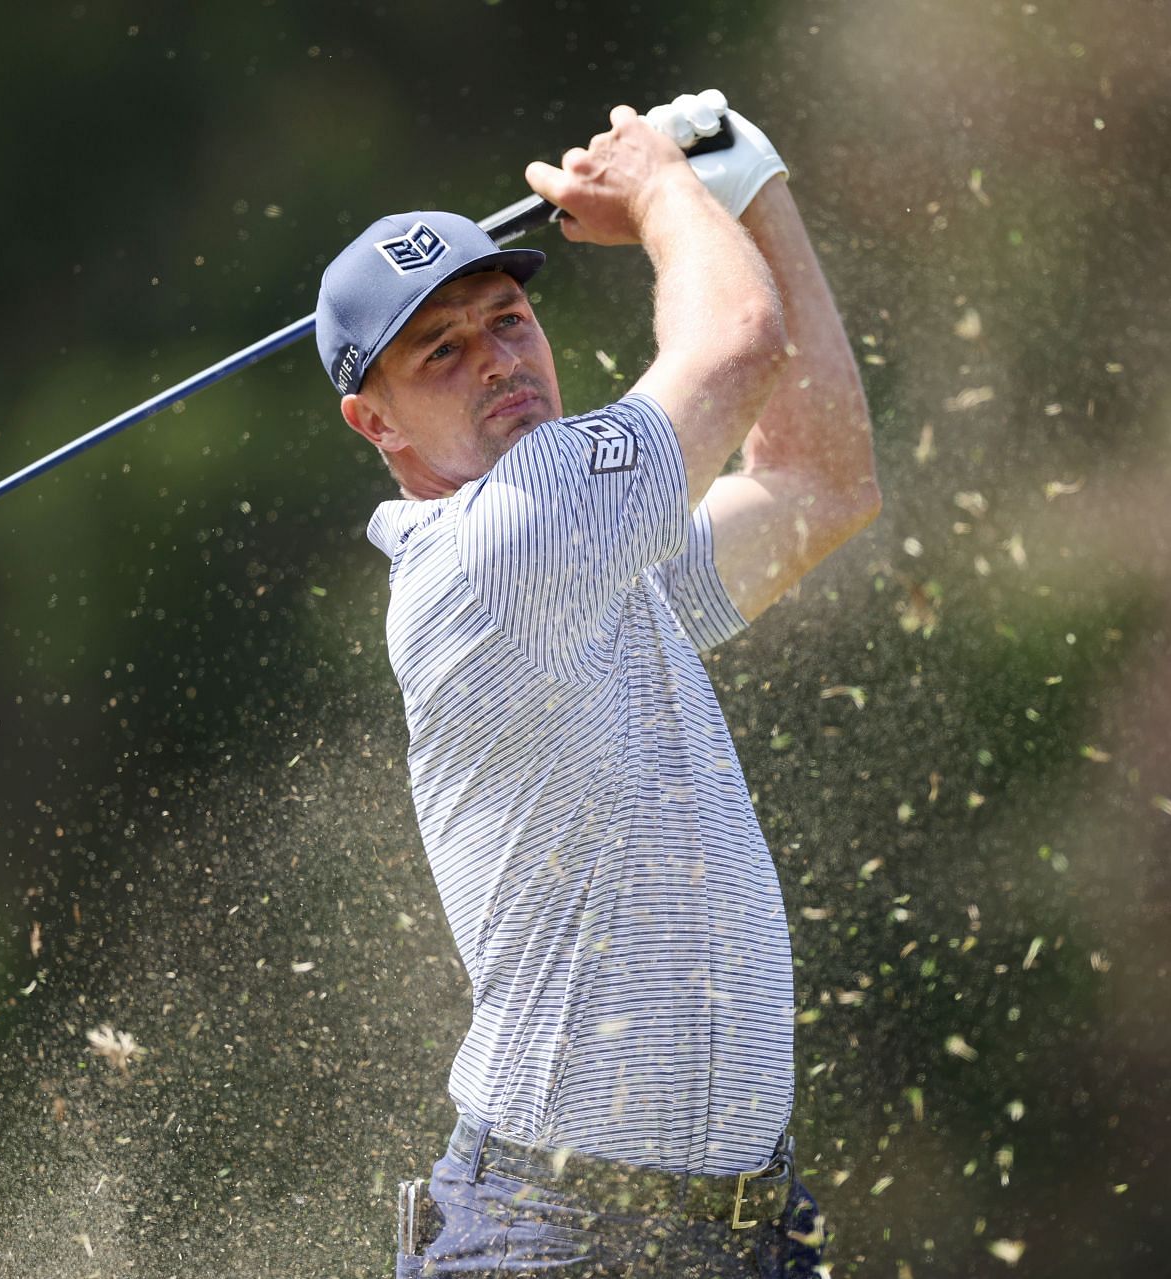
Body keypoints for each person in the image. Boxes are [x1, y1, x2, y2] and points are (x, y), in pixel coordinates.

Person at [313, 94, 880, 1277]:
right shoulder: (501, 544)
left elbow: (823, 481)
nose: (500, 362)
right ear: (377, 423)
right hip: (561, 1239)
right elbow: (737, 345)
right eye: (445, 352)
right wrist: (665, 184)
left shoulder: (601, 550)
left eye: (508, 320)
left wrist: (752, 191)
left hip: (747, 1231)